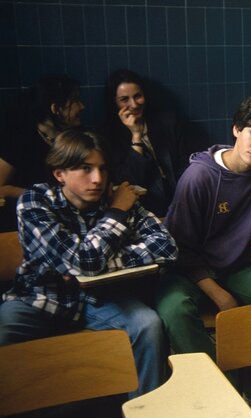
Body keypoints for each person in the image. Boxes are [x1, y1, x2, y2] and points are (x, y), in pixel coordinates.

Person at [155, 96, 251, 412]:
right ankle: (220, 396)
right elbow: (179, 248)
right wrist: (217, 293)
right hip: (186, 271)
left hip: (235, 267)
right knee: (173, 310)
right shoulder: (199, 176)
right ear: (236, 129)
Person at [0, 130, 176, 397]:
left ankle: (146, 409)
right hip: (40, 298)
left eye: (102, 169)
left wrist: (101, 262)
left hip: (99, 299)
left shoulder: (118, 195)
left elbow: (166, 247)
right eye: (85, 169)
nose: (98, 179)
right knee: (3, 335)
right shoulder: (35, 202)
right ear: (60, 174)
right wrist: (115, 214)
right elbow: (85, 262)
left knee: (147, 324)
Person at [0, 75, 84, 231]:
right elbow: (1, 187)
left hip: (70, 217)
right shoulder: (19, 140)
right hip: (31, 220)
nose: (82, 107)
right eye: (75, 102)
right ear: (56, 109)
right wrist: (46, 195)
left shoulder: (76, 136)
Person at [101, 69, 189, 217]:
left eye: (138, 96)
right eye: (124, 99)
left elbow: (185, 164)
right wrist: (136, 137)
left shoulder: (168, 122)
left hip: (179, 200)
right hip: (143, 210)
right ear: (114, 102)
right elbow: (128, 183)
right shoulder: (109, 136)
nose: (134, 104)